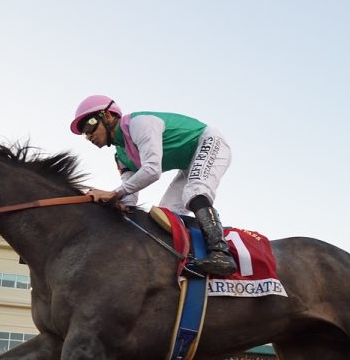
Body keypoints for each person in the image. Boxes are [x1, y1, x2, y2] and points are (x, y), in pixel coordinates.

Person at [70, 95, 237, 276]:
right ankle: (191, 257)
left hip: (209, 141)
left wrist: (113, 193)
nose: (89, 136)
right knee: (167, 214)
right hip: (189, 162)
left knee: (195, 190)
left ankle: (221, 253)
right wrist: (112, 206)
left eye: (89, 126)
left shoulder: (139, 124)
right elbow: (130, 196)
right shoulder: (120, 156)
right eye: (84, 134)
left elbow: (152, 170)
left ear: (108, 116)